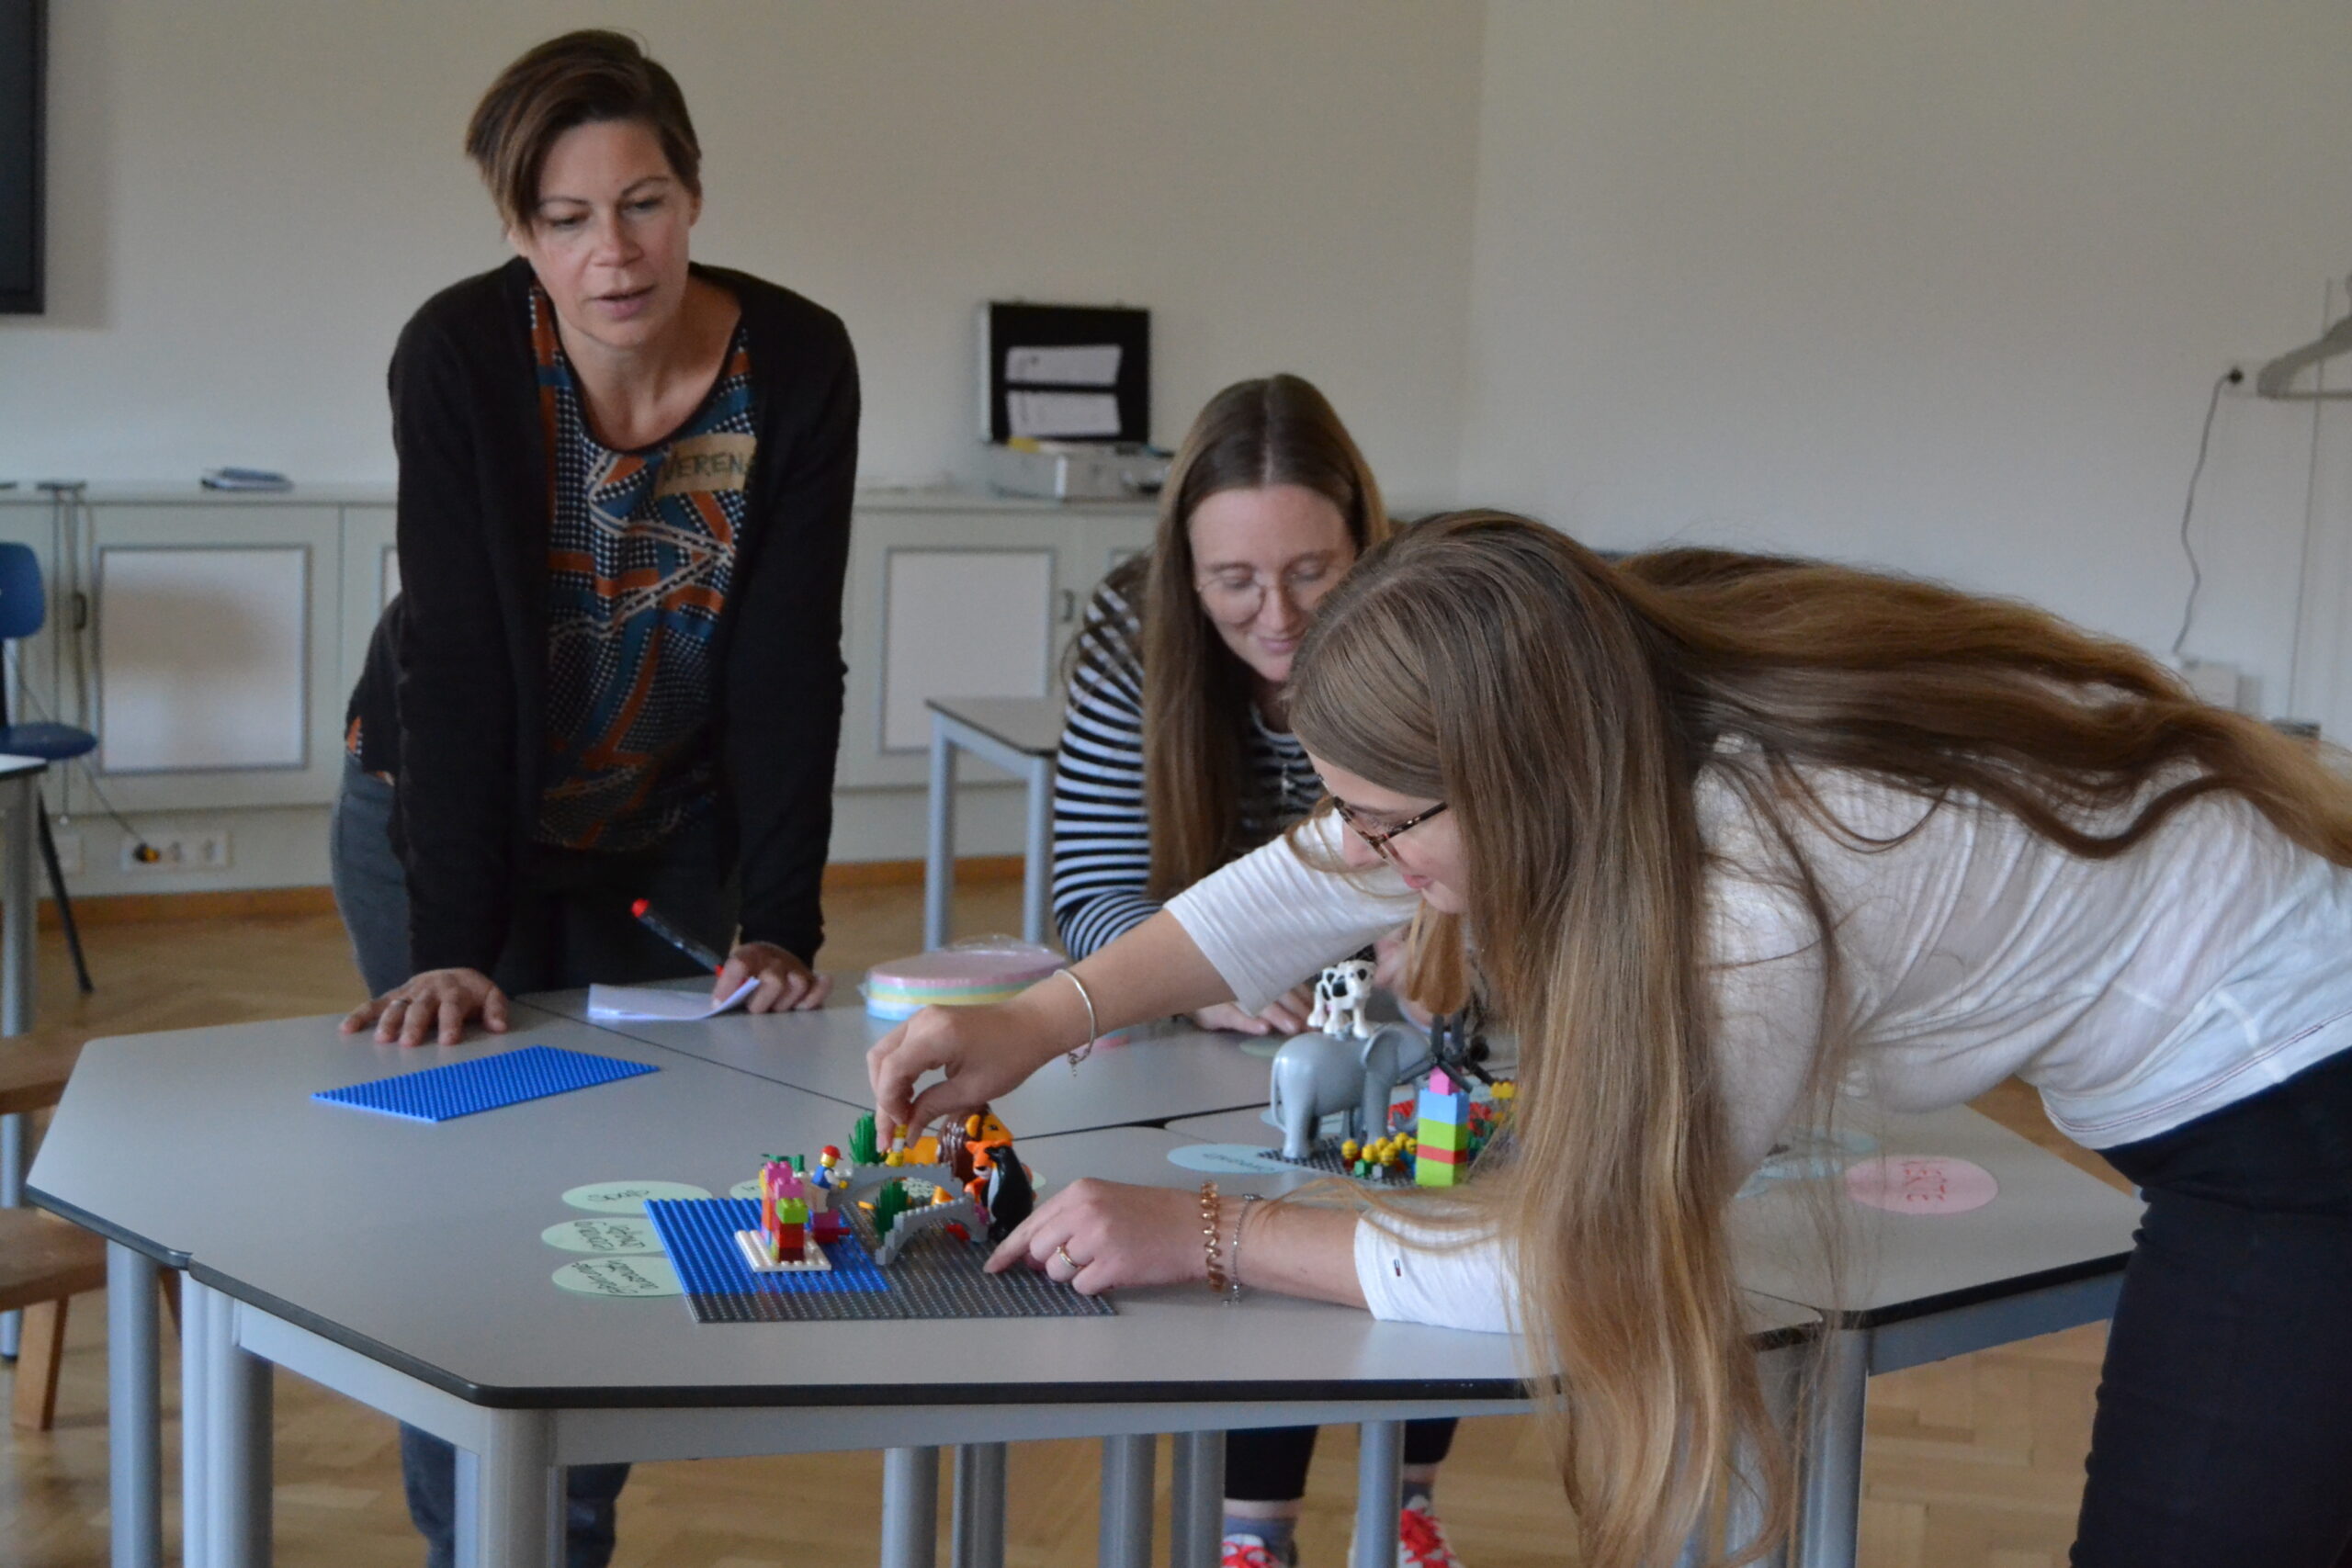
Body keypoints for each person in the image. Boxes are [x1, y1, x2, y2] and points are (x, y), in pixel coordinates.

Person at [873, 513, 2352, 1568]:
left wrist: (1216, 1232)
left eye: (1396, 829)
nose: (1375, 864)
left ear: (1513, 778)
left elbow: (1582, 1267)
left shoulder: (1738, 884)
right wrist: (1043, 1013)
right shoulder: (1589, 666)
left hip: (2302, 1101)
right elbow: (1308, 875)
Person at [328, 31, 857, 1568]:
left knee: (615, 1203)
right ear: (517, 231)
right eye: (565, 217)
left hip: (659, 836)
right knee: (462, 1196)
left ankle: (563, 1540)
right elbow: (459, 660)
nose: (611, 251)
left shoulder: (797, 360)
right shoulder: (461, 354)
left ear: (693, 196)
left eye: (642, 202)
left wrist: (780, 918)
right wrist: (453, 939)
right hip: (436, 810)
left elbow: (784, 658)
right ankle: (465, 1544)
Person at [1048, 375, 1461, 1566]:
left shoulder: (1434, 628)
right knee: (1247, 1226)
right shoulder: (1137, 634)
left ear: (1365, 545)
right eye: (1233, 582)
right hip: (1217, 1040)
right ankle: (1252, 1532)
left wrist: (1451, 925)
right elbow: (1089, 898)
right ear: (1183, 572)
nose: (1275, 617)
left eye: (1311, 573)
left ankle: (1410, 1504)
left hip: (1411, 1014)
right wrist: (1208, 971)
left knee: (1431, 1218)